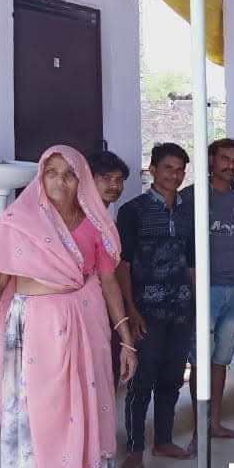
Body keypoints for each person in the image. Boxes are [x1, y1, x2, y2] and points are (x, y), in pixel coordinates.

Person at [0, 145, 134, 468]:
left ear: (82, 180)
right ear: (41, 177)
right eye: (51, 172)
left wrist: (126, 339)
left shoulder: (95, 225)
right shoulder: (19, 222)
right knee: (32, 421)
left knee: (76, 416)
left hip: (83, 328)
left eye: (69, 173)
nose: (60, 181)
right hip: (32, 331)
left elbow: (109, 282)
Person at [116, 142, 196, 468]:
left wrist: (195, 304)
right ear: (152, 170)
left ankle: (163, 440)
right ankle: (135, 450)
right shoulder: (132, 211)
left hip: (180, 309)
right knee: (141, 380)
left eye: (180, 170)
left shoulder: (189, 211)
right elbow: (122, 265)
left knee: (172, 377)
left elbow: (191, 263)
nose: (174, 176)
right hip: (145, 311)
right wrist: (130, 310)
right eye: (168, 168)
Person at [183, 138, 234, 445]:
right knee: (200, 360)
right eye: (225, 159)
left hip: (233, 289)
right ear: (211, 160)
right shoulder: (192, 196)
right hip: (204, 290)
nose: (231, 166)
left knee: (221, 360)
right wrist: (192, 291)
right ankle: (199, 429)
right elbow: (183, 249)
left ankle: (215, 424)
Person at [87, 150, 131, 382]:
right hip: (81, 309)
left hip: (108, 305)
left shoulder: (107, 222)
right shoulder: (79, 219)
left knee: (108, 371)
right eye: (106, 178)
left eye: (119, 180)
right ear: (88, 179)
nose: (114, 185)